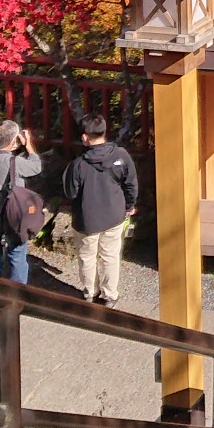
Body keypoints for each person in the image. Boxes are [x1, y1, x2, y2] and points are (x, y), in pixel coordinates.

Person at [62, 114, 137, 306]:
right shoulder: (121, 155)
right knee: (110, 255)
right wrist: (129, 206)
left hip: (87, 219)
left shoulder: (78, 165)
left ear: (86, 137)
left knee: (87, 257)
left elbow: (70, 192)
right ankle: (110, 295)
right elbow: (131, 185)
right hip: (114, 215)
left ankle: (90, 292)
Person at [0, 119, 41, 283]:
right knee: (17, 254)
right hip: (12, 216)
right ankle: (16, 293)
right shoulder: (15, 162)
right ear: (14, 142)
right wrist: (29, 147)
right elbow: (36, 166)